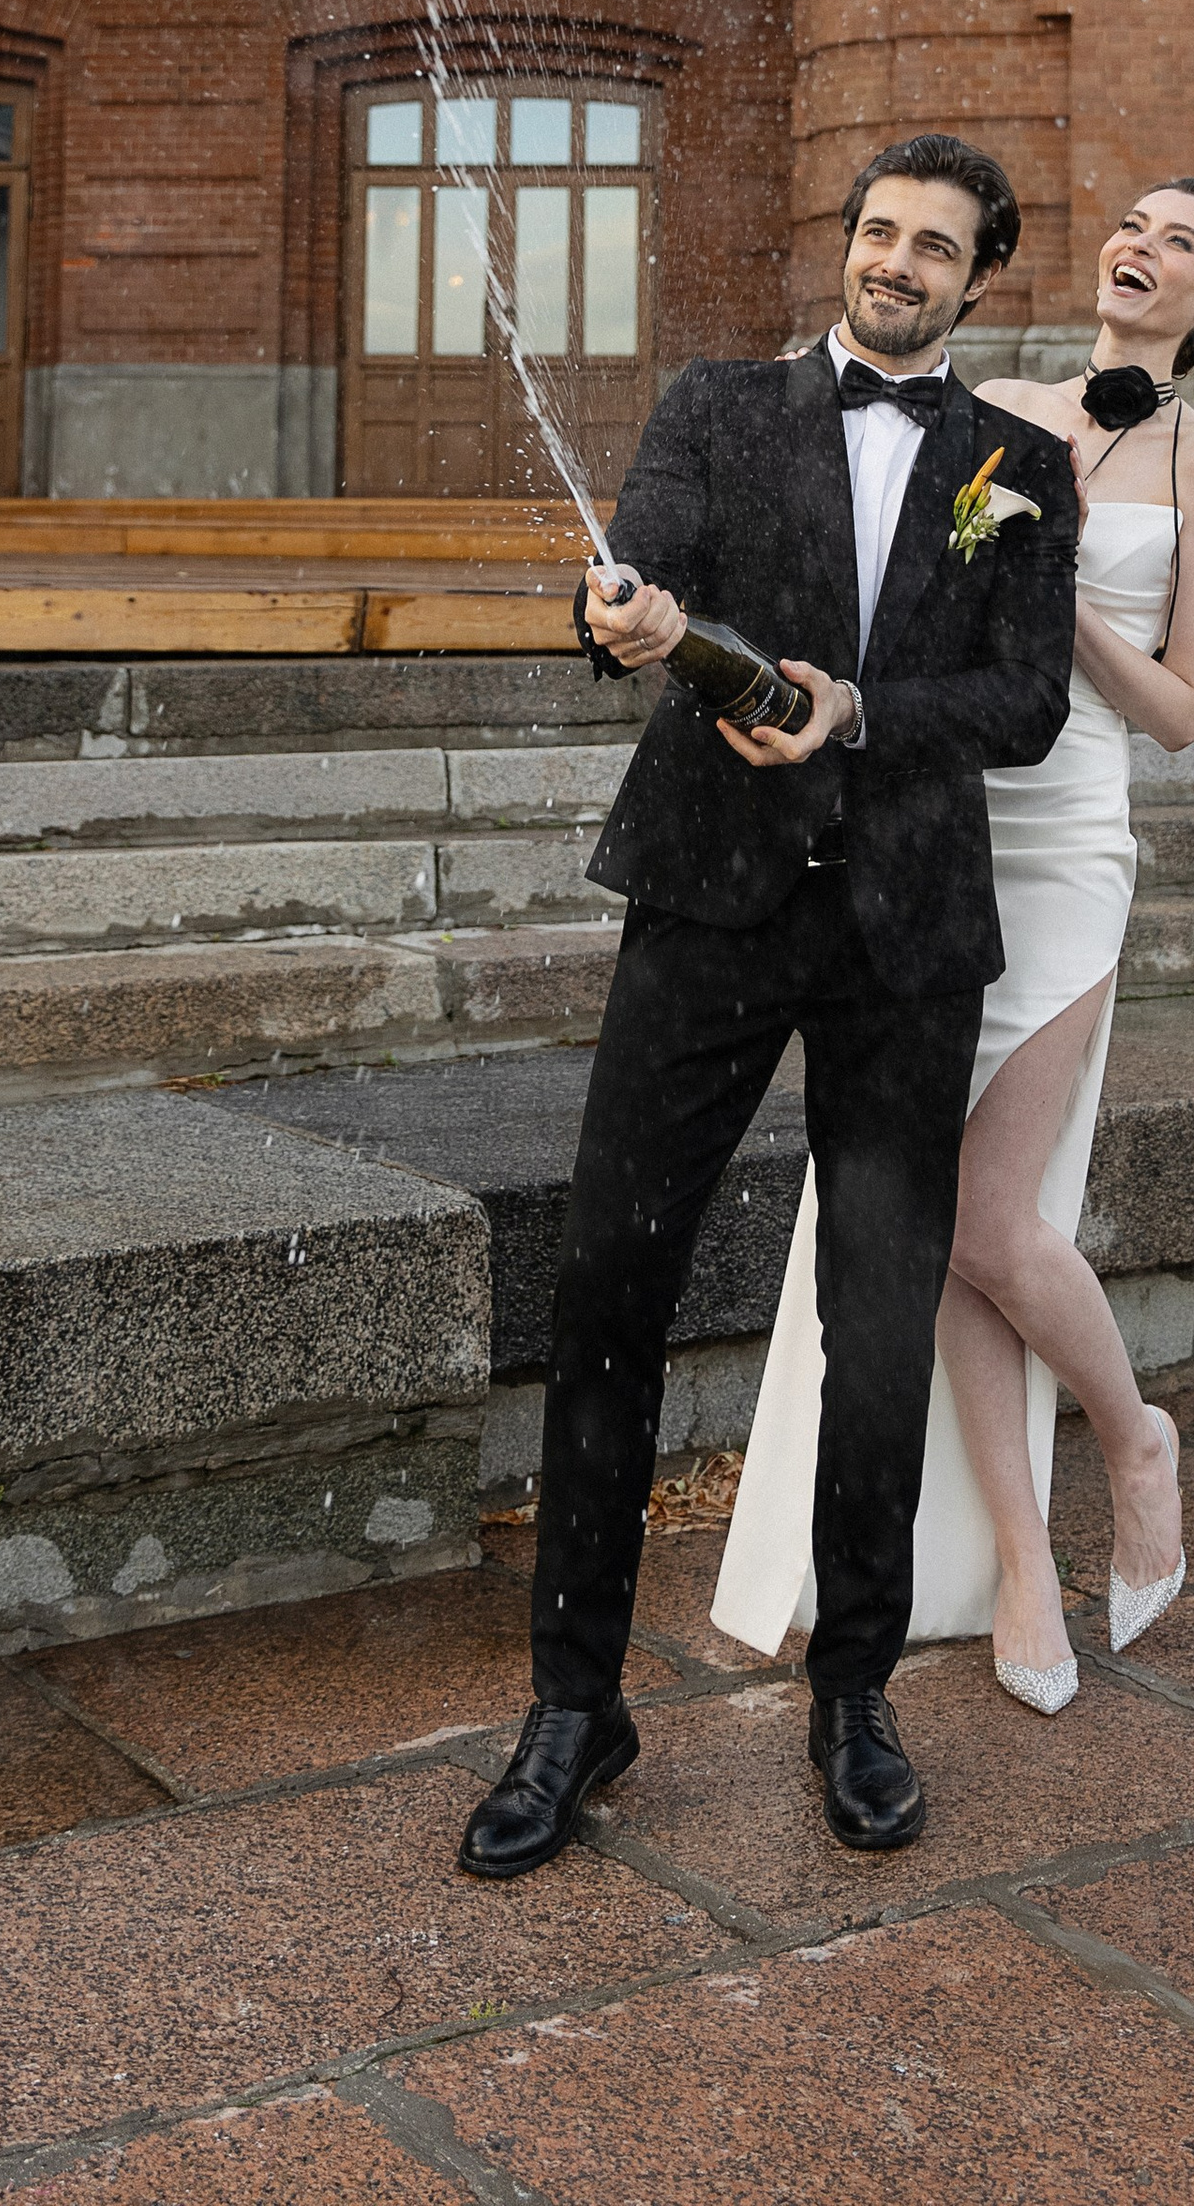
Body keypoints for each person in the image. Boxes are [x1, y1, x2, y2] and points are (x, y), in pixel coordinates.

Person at [458, 132, 1079, 1879]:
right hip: (709, 908)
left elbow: (1026, 703)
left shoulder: (1018, 466)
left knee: (878, 1333)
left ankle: (853, 1695)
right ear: (851, 246)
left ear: (978, 278)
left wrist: (858, 711)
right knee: (608, 1288)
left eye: (933, 247)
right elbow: (641, 564)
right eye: (877, 233)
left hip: (904, 942)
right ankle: (574, 1713)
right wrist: (626, 617)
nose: (894, 263)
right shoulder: (717, 407)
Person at [715, 178, 1194, 1711]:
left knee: (992, 1219)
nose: (1138, 246)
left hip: (1073, 836)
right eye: (1131, 225)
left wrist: (1059, 589)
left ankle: (1138, 1435)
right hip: (941, 827)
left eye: (1179, 243)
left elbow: (1185, 710)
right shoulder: (998, 402)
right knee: (927, 1214)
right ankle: (1022, 1561)